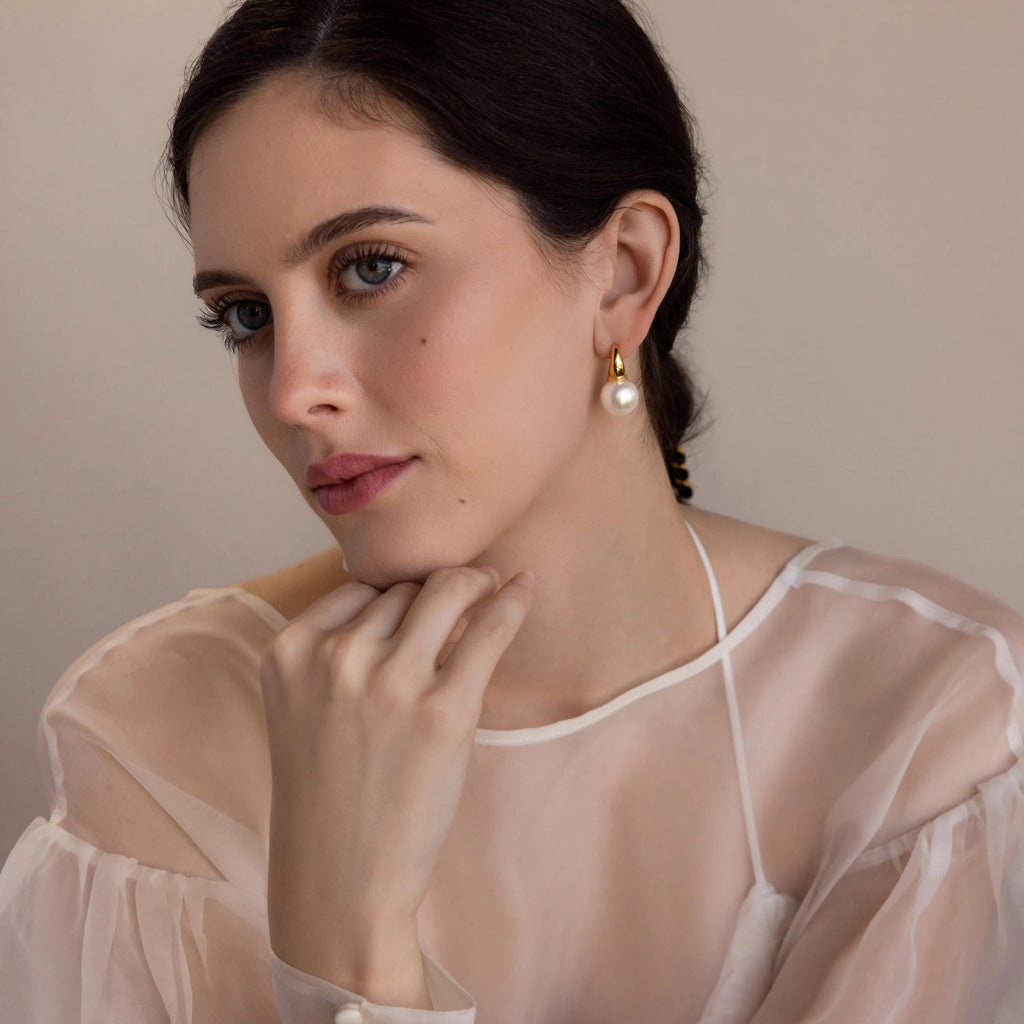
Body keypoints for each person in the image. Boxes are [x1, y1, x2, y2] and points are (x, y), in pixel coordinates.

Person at [2, 0, 1023, 1020]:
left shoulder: (933, 724)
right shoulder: (152, 737)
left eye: (370, 268)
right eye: (247, 316)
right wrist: (341, 933)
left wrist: (349, 958)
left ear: (623, 271)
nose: (291, 391)